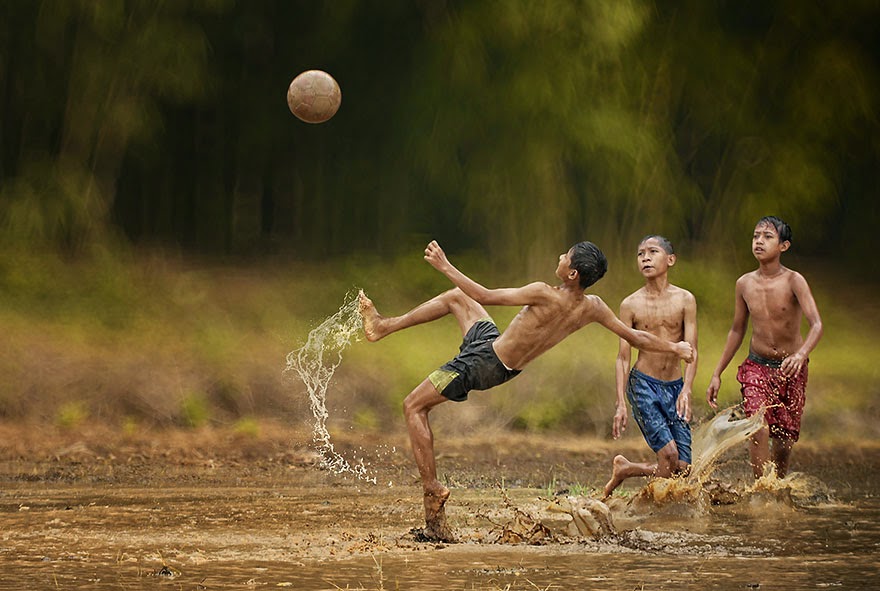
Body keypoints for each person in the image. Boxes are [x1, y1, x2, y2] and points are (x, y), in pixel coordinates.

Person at [359, 240, 694, 541]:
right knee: (455, 299)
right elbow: (636, 338)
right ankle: (384, 326)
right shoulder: (593, 306)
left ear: (572, 273)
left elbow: (487, 296)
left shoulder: (544, 292)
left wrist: (444, 265)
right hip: (497, 357)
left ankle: (432, 488)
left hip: (483, 362)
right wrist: (675, 348)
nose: (560, 256)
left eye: (566, 256)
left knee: (413, 406)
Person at [705, 216, 823, 479]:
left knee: (784, 434)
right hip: (757, 365)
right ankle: (761, 488)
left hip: (791, 368)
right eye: (756, 236)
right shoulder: (744, 283)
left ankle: (778, 484)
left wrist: (801, 354)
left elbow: (816, 325)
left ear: (784, 246)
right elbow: (737, 329)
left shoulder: (794, 281)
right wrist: (717, 372)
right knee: (757, 426)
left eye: (767, 237)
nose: (759, 241)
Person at [603, 235, 698, 499]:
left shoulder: (685, 300)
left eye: (652, 251)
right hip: (643, 385)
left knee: (682, 468)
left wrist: (687, 389)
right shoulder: (630, 304)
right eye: (640, 253)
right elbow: (623, 356)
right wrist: (620, 401)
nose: (645, 257)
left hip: (675, 386)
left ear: (670, 259)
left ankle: (626, 469)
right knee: (668, 455)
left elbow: (692, 350)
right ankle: (648, 511)